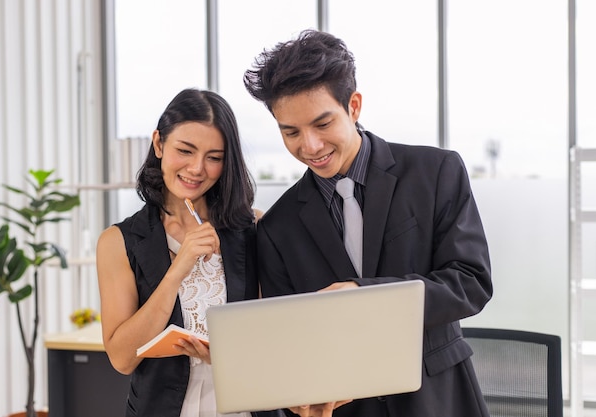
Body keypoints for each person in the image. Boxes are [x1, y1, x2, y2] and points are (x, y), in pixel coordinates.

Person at [243, 29, 493, 417]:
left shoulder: (435, 172)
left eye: (322, 124)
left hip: (437, 399)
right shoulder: (278, 227)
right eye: (290, 132)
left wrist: (362, 295)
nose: (309, 146)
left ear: (354, 106)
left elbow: (471, 282)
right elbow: (289, 338)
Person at [96, 88, 274, 417]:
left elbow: (274, 337)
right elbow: (122, 358)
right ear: (159, 144)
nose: (197, 168)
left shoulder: (253, 228)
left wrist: (224, 354)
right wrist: (179, 268)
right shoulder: (119, 241)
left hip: (245, 407)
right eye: (185, 150)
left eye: (214, 157)